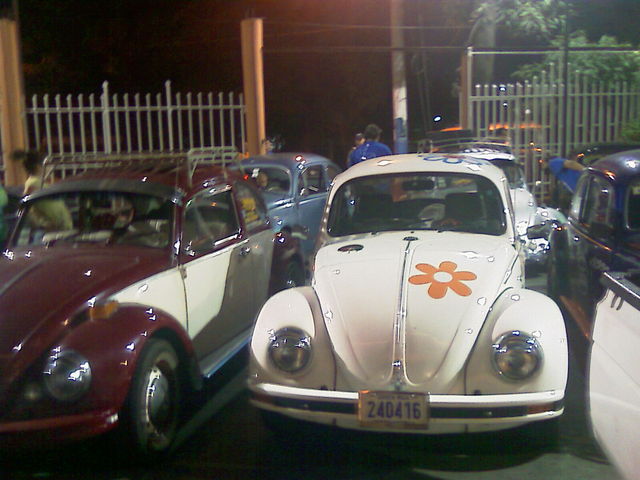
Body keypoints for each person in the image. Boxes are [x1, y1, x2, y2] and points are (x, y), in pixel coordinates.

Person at [13, 150, 73, 231]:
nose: (51, 167)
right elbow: (27, 208)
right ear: (39, 167)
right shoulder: (33, 184)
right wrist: (42, 224)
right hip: (51, 229)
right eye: (48, 164)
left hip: (61, 227)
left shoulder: (41, 182)